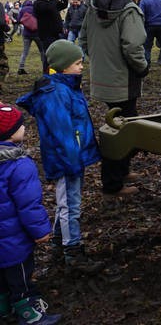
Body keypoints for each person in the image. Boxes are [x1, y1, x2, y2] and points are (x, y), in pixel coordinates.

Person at [16, 40, 103, 273]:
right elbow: (61, 132)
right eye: (77, 63)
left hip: (72, 156)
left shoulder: (68, 87)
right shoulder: (56, 93)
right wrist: (72, 160)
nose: (82, 67)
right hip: (67, 159)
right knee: (70, 205)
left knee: (68, 201)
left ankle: (59, 241)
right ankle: (72, 251)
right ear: (63, 66)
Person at [80, 0, 149, 198]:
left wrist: (101, 63)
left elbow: (84, 40)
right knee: (121, 130)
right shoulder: (130, 10)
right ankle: (112, 184)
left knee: (121, 123)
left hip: (102, 78)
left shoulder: (93, 7)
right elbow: (133, 46)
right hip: (124, 80)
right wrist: (142, 67)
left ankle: (122, 171)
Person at [0, 103, 62, 324]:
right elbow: (29, 206)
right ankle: (30, 315)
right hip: (14, 241)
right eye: (20, 125)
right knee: (21, 281)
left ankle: (4, 310)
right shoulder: (19, 165)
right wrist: (41, 231)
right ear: (10, 132)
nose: (24, 127)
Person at [32, 0, 68, 73]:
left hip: (56, 34)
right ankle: (47, 75)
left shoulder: (48, 2)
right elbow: (50, 8)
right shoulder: (37, 3)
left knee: (57, 56)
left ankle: (55, 73)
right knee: (49, 56)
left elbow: (63, 5)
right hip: (47, 35)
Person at [16, 0, 44, 76]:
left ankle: (20, 68)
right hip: (37, 33)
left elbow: (18, 20)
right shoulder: (37, 9)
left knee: (25, 52)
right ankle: (45, 68)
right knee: (42, 51)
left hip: (26, 34)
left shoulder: (23, 9)